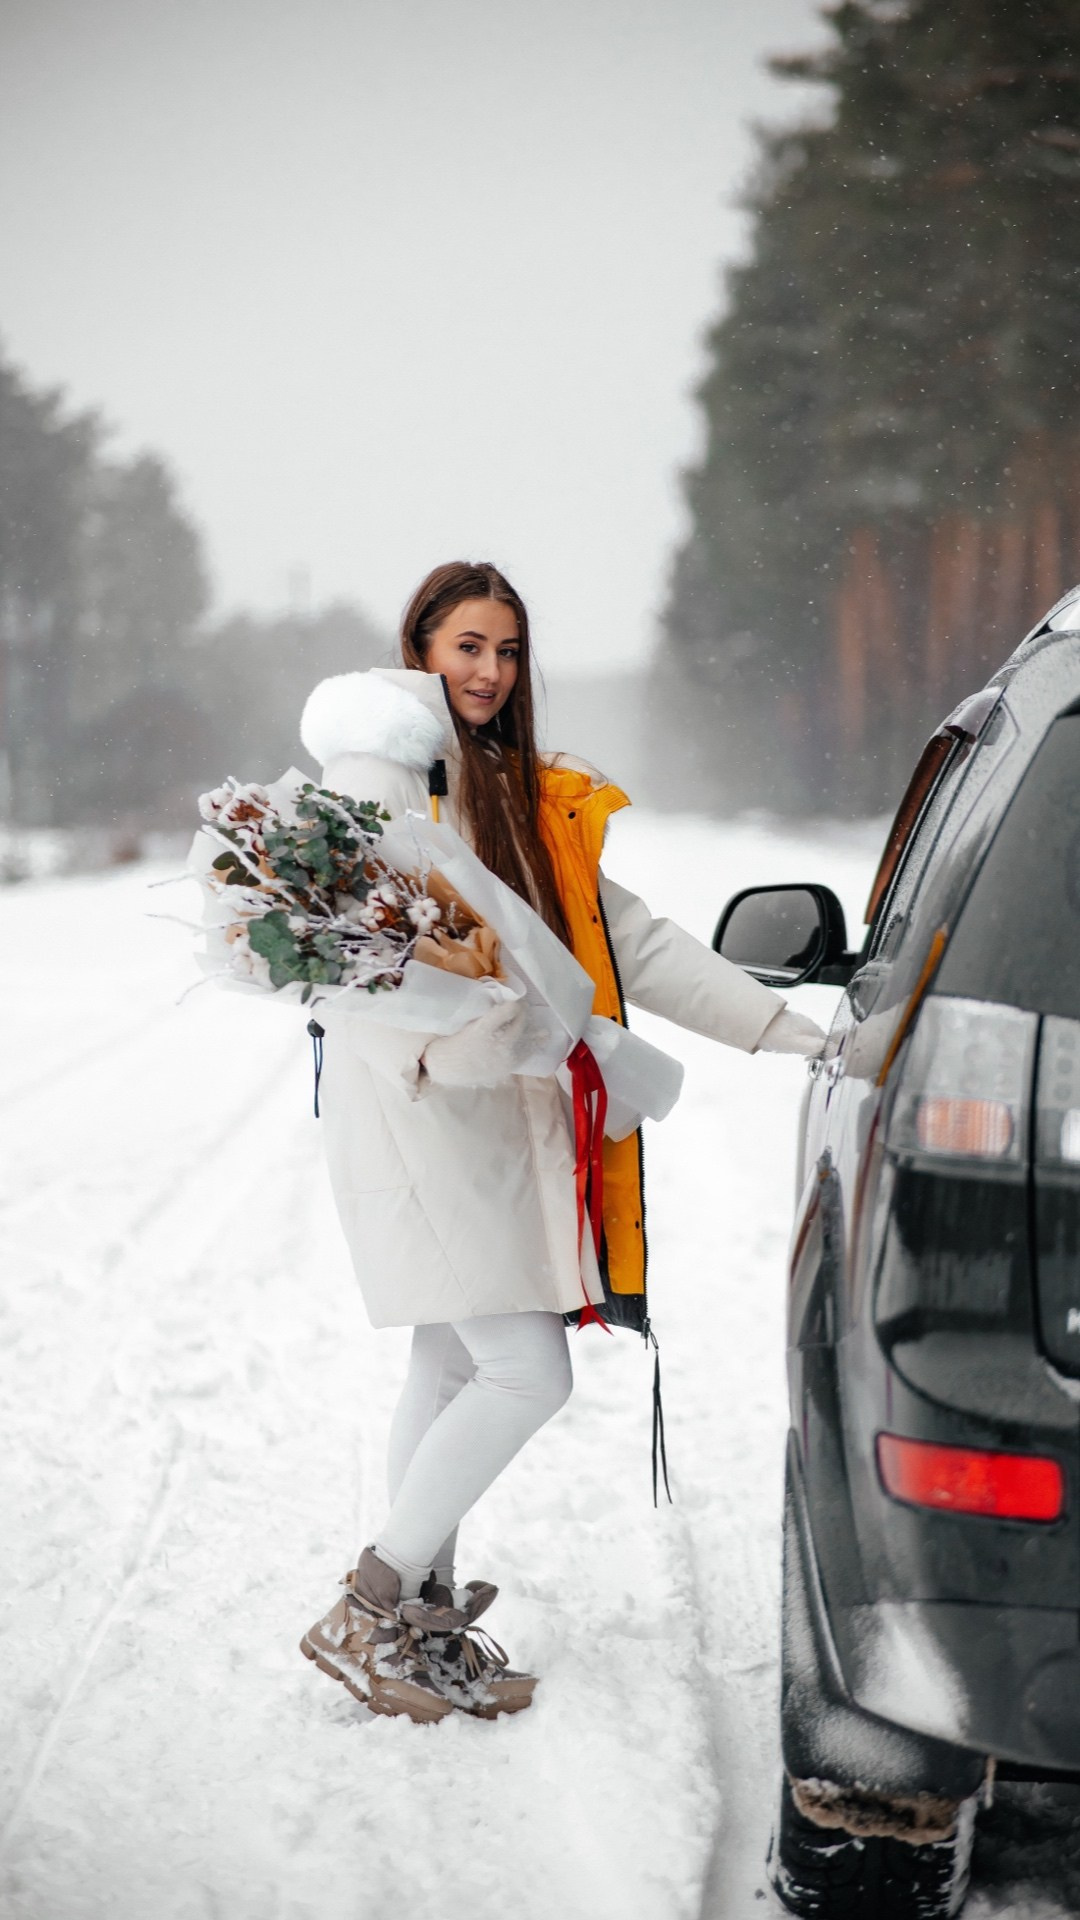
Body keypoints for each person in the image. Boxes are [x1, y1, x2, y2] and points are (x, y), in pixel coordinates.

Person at [295, 559, 824, 1724]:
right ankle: (371, 1605)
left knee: (448, 1366)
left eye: (508, 650)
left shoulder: (517, 793)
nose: (489, 670)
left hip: (494, 1114)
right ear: (420, 648)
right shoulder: (378, 776)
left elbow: (633, 938)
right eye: (468, 646)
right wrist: (456, 1047)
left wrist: (788, 1030)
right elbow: (345, 966)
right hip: (424, 1116)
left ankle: (418, 1622)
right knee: (526, 1371)